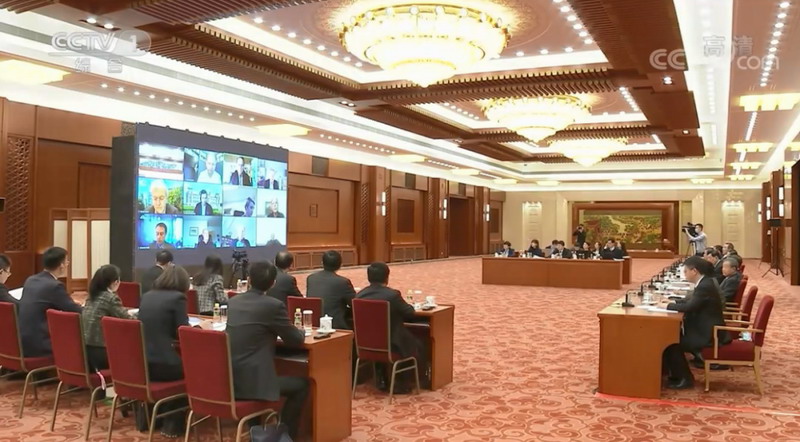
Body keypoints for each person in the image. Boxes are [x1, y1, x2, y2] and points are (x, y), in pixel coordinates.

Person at [226, 260, 308, 440]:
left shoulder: (233, 301)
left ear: (249, 279)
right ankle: (285, 436)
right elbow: (294, 340)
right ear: (273, 283)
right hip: (254, 383)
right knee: (302, 385)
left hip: (230, 380)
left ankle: (256, 430)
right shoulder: (273, 306)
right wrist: (301, 331)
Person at [139, 265, 209, 438]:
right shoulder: (178, 298)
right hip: (164, 365)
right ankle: (173, 424)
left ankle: (154, 418)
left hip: (143, 364)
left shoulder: (147, 296)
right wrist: (201, 327)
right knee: (196, 370)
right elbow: (183, 332)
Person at [660, 256, 730, 389]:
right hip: (703, 328)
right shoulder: (704, 282)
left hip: (708, 334)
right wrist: (674, 301)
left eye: (685, 271)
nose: (684, 274)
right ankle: (673, 374)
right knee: (670, 337)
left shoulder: (705, 286)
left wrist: (667, 306)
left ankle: (684, 378)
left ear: (694, 271)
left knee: (672, 342)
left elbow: (690, 307)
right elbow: (693, 301)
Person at [357, 262, 427, 391]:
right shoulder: (392, 295)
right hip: (392, 345)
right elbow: (409, 313)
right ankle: (403, 383)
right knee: (420, 343)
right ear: (387, 277)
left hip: (365, 346)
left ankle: (382, 379)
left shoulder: (359, 296)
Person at [18, 247, 82, 357]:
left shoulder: (31, 280)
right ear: (61, 265)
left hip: (21, 343)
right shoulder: (55, 286)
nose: (67, 264)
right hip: (41, 345)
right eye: (67, 261)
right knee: (77, 341)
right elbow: (75, 310)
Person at [81, 264, 131, 371]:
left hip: (84, 352)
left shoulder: (91, 297)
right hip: (101, 352)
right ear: (115, 282)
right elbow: (129, 320)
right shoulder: (111, 298)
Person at [306, 251, 357, 330]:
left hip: (313, 323)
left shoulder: (311, 278)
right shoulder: (342, 282)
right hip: (334, 325)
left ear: (322, 263)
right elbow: (354, 303)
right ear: (340, 264)